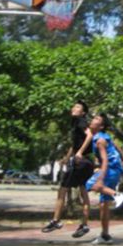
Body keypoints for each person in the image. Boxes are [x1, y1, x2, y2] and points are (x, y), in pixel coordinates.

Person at [41, 101, 95, 238]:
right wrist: (67, 157)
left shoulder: (80, 121)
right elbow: (75, 144)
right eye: (74, 106)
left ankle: (56, 221)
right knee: (83, 192)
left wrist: (79, 153)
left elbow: (89, 135)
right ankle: (84, 225)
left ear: (83, 112)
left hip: (81, 162)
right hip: (87, 162)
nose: (74, 108)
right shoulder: (76, 123)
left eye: (77, 107)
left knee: (62, 190)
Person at [84, 113, 123, 245]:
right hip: (115, 169)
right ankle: (105, 235)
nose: (93, 120)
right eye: (94, 118)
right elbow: (116, 146)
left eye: (97, 119)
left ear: (101, 126)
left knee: (90, 185)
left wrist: (100, 178)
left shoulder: (99, 140)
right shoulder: (104, 136)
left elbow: (104, 161)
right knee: (104, 204)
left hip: (110, 169)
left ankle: (118, 195)